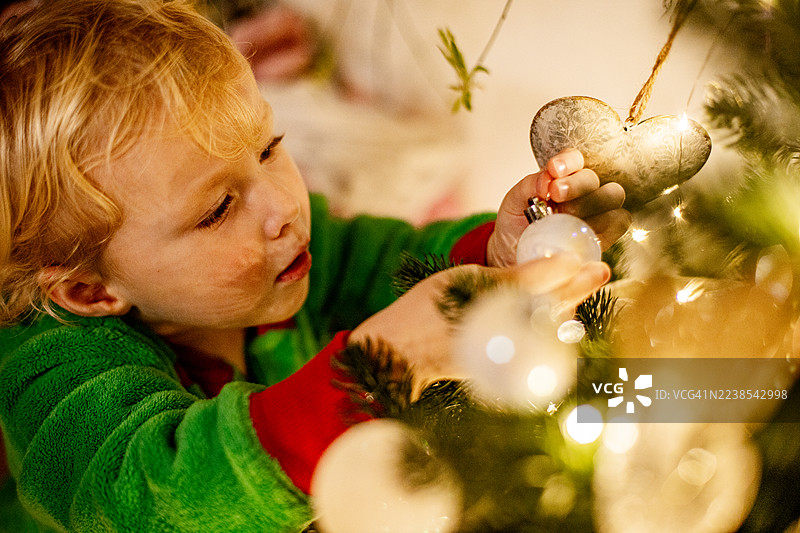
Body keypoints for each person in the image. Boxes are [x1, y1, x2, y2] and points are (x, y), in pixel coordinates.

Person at [0, 0, 630, 531]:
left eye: (270, 149)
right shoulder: (53, 380)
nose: (284, 207)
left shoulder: (294, 247)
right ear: (89, 290)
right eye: (218, 208)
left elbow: (393, 264)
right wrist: (379, 365)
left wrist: (499, 250)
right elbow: (157, 493)